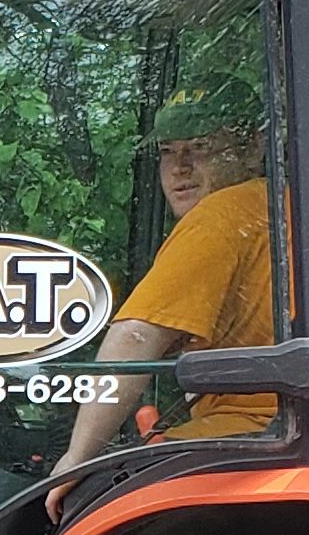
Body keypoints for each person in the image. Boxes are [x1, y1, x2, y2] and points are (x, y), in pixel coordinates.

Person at [51, 71, 281, 499]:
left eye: (201, 148)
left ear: (253, 149)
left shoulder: (220, 216)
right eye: (168, 152)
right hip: (286, 432)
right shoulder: (287, 207)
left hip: (242, 438)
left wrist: (78, 456)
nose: (180, 168)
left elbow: (136, 336)